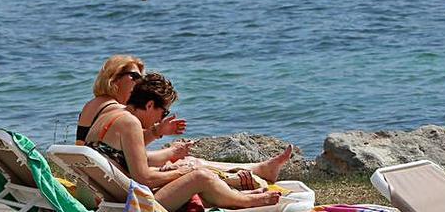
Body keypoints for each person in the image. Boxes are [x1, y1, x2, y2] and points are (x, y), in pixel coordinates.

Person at [85, 73, 292, 212]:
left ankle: (233, 195)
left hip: (115, 197)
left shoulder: (112, 114)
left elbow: (129, 162)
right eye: (162, 111)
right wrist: (183, 173)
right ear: (149, 105)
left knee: (191, 172)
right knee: (199, 176)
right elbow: (144, 177)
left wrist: (173, 167)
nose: (160, 118)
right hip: (136, 204)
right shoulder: (130, 123)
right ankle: (245, 201)